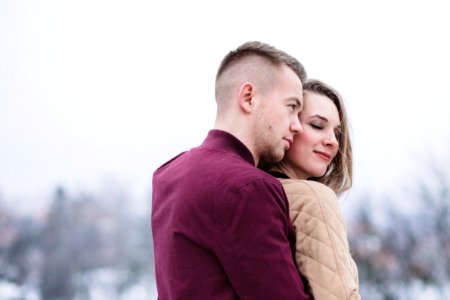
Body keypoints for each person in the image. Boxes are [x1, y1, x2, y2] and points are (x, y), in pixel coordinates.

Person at [151, 41, 311, 299]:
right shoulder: (249, 187)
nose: (297, 126)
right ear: (248, 98)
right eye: (291, 107)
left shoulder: (167, 174)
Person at [267, 79, 361, 300]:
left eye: (337, 133)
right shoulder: (314, 198)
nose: (333, 142)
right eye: (318, 125)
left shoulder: (250, 190)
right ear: (289, 126)